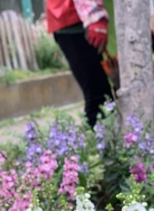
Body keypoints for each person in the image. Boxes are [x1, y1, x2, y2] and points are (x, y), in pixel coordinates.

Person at [46, 0, 112, 128]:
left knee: (102, 94)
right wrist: (95, 17)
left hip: (75, 18)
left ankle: (103, 142)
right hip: (75, 20)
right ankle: (100, 143)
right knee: (98, 97)